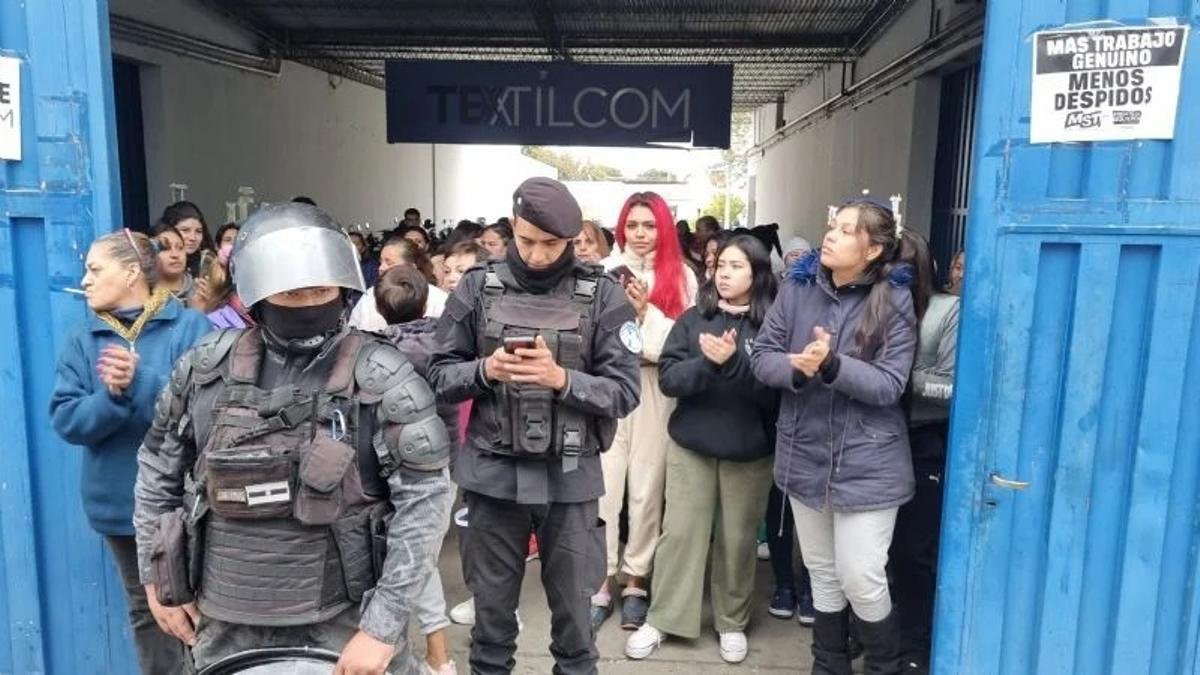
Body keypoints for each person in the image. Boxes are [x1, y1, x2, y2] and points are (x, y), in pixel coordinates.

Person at [132, 203, 453, 673]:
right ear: (258, 295)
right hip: (223, 621)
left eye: (320, 290)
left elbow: (424, 503)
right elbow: (157, 470)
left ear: (343, 289)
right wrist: (158, 579)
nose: (307, 304)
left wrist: (382, 626)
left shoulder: (382, 376)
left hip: (347, 625)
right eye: (291, 293)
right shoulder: (205, 369)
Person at [428, 177, 641, 675]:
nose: (539, 255)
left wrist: (562, 379)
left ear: (572, 238)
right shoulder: (477, 287)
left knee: (576, 630)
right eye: (527, 241)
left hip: (569, 479)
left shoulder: (603, 295)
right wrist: (486, 370)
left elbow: (625, 392)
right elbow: (438, 375)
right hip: (493, 477)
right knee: (490, 628)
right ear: (512, 227)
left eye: (552, 243)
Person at [751, 198, 925, 675]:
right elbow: (762, 356)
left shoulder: (894, 298)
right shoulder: (797, 287)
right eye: (833, 225)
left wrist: (831, 365)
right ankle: (828, 665)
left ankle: (884, 667)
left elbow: (889, 384)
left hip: (869, 463)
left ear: (873, 250)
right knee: (823, 574)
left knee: (861, 576)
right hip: (804, 455)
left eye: (847, 230)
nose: (830, 235)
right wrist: (797, 367)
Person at [49, 229, 211, 674]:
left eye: (94, 269)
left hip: (188, 503)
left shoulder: (190, 327)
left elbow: (203, 411)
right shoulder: (83, 339)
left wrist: (139, 382)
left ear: (131, 272)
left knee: (205, 607)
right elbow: (66, 420)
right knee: (148, 609)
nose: (84, 280)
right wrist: (111, 399)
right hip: (119, 506)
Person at [623, 235, 779, 664]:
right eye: (720, 265)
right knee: (680, 534)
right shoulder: (694, 319)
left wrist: (734, 363)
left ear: (757, 274)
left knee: (737, 539)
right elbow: (670, 379)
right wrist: (709, 364)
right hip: (692, 444)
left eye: (736, 266)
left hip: (749, 450)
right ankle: (664, 617)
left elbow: (776, 393)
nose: (724, 274)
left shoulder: (772, 325)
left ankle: (731, 622)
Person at [593, 191, 698, 630]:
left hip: (656, 388)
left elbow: (685, 342)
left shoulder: (682, 275)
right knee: (603, 486)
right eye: (632, 225)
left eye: (649, 225)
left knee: (647, 488)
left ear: (664, 228)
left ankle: (636, 578)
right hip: (608, 386)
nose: (639, 234)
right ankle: (599, 579)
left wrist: (643, 314)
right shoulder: (601, 272)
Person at [375, 265, 461, 675]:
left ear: (378, 308)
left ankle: (434, 654)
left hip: (394, 467)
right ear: (427, 299)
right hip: (444, 462)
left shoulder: (377, 353)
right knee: (420, 556)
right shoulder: (448, 342)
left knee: (409, 558)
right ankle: (435, 654)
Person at [890, 234, 959, 674]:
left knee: (912, 552)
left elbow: (953, 388)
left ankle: (915, 646)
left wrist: (894, 374)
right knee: (869, 554)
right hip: (872, 440)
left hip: (922, 441)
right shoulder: (867, 307)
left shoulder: (945, 311)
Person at [351, 236, 448, 331]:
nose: (381, 268)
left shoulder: (438, 298)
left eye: (389, 263)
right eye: (381, 262)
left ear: (411, 268)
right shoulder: (369, 296)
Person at [160, 200, 215, 277]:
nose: (193, 238)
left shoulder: (208, 262)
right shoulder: (156, 262)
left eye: (198, 231)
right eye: (185, 230)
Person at [152, 223, 197, 302]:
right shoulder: (142, 294)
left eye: (180, 248)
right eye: (165, 248)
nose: (175, 255)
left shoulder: (200, 292)